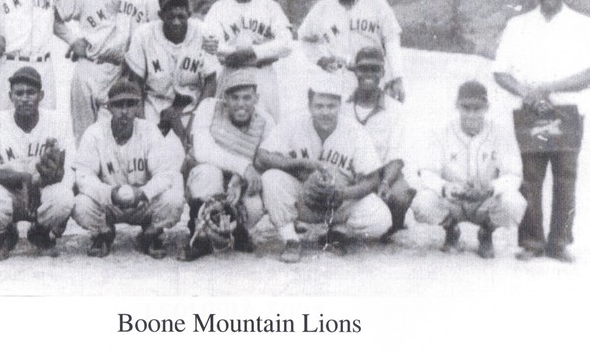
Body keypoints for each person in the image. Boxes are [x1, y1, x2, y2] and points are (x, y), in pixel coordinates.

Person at [493, 0, 590, 263]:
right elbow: (500, 71)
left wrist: (549, 87)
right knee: (529, 178)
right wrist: (528, 93)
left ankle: (560, 242)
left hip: (568, 109)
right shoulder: (518, 25)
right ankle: (532, 242)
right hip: (529, 110)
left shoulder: (582, 25)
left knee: (566, 177)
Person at [256, 74, 392, 263]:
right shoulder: (293, 123)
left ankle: (337, 232)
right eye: (319, 106)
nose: (325, 112)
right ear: (310, 106)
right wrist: (300, 164)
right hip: (303, 197)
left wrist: (344, 193)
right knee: (271, 178)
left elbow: (373, 179)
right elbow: (262, 156)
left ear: (339, 106)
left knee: (381, 219)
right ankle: (291, 240)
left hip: (339, 202)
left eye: (331, 106)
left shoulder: (354, 131)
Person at [57, 0, 159, 142]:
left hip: (121, 72)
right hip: (88, 67)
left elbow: (166, 22)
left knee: (111, 140)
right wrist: (71, 39)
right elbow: (53, 15)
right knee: (83, 139)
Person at [411, 81, 527, 259]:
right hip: (454, 200)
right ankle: (451, 230)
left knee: (514, 202)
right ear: (457, 106)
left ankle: (486, 233)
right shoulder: (441, 132)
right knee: (422, 202)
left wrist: (491, 187)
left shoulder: (500, 133)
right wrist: (445, 187)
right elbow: (426, 171)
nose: (471, 114)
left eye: (477, 108)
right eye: (466, 108)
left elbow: (514, 174)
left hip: (485, 201)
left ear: (487, 107)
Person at [71, 80, 185, 259]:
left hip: (142, 203)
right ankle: (103, 232)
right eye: (118, 105)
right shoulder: (94, 133)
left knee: (174, 200)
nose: (124, 111)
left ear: (138, 105)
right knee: (80, 204)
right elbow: (84, 176)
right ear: (109, 107)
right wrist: (109, 193)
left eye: (130, 104)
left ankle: (152, 232)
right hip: (109, 203)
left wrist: (144, 192)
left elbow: (165, 174)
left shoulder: (149, 131)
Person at [0, 66, 75, 262]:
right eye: (19, 93)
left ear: (41, 95)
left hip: (40, 192)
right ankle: (5, 234)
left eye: (31, 93)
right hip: (9, 192)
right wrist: (22, 178)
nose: (25, 98)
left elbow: (60, 174)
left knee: (64, 197)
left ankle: (40, 232)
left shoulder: (56, 121)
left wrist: (45, 175)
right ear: (11, 96)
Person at [182, 68, 275, 260]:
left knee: (254, 204)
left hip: (239, 183)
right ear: (225, 97)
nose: (241, 104)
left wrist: (239, 179)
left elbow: (264, 160)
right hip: (210, 176)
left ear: (256, 98)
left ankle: (236, 230)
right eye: (235, 98)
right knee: (207, 174)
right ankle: (200, 233)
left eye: (247, 98)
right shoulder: (209, 107)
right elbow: (202, 150)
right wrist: (243, 167)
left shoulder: (266, 121)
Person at [297, 0, 406, 102]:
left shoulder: (377, 3)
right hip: (339, 80)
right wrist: (321, 60)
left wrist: (397, 77)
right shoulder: (322, 8)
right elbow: (303, 38)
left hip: (372, 77)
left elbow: (391, 39)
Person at [202, 0, 293, 120]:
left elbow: (287, 43)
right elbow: (213, 46)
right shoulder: (219, 8)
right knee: (227, 129)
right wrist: (249, 52)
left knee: (267, 127)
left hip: (262, 76)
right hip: (231, 74)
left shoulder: (270, 7)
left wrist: (254, 53)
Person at [122, 0, 218, 144]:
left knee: (195, 149)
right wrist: (142, 125)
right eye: (171, 16)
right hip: (155, 104)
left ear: (189, 14)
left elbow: (211, 81)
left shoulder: (203, 32)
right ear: (161, 16)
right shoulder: (144, 35)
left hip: (190, 108)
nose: (176, 22)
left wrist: (197, 120)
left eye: (181, 16)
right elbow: (135, 83)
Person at [342, 46, 416, 241]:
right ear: (355, 71)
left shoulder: (395, 109)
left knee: (402, 195)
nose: (368, 74)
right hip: (350, 173)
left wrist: (384, 182)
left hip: (384, 173)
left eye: (374, 69)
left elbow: (397, 157)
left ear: (383, 73)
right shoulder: (343, 107)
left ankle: (394, 224)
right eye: (363, 69)